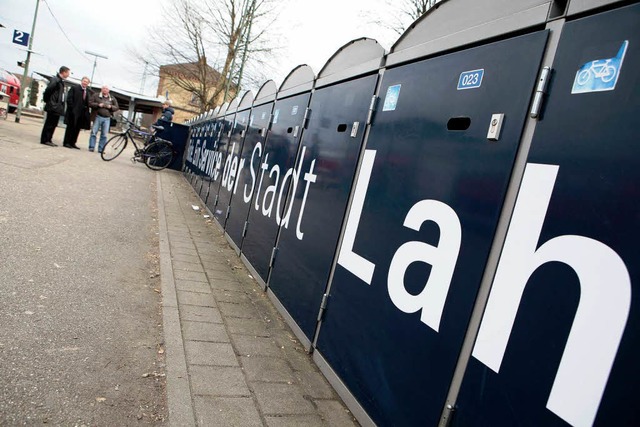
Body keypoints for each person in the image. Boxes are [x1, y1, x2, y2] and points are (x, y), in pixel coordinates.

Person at [40, 66, 70, 147]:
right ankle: (45, 139)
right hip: (53, 106)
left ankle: (49, 139)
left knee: (53, 124)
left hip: (57, 107)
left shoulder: (60, 81)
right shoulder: (55, 80)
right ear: (63, 72)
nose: (68, 75)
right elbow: (48, 91)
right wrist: (49, 101)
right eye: (68, 73)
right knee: (49, 123)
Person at [62, 76, 91, 149]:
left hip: (81, 114)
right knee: (70, 128)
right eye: (84, 81)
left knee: (77, 129)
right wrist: (72, 108)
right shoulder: (75, 88)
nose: (85, 83)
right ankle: (66, 142)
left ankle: (73, 143)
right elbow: (69, 99)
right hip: (73, 112)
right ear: (81, 81)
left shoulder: (87, 91)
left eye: (86, 82)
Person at [88, 85, 119, 152]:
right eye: (103, 88)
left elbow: (116, 107)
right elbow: (90, 103)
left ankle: (101, 149)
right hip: (97, 117)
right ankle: (91, 147)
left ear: (108, 90)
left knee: (104, 135)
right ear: (101, 89)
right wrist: (98, 105)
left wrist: (111, 107)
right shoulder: (96, 95)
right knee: (94, 132)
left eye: (106, 89)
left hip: (107, 118)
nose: (105, 90)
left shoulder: (112, 98)